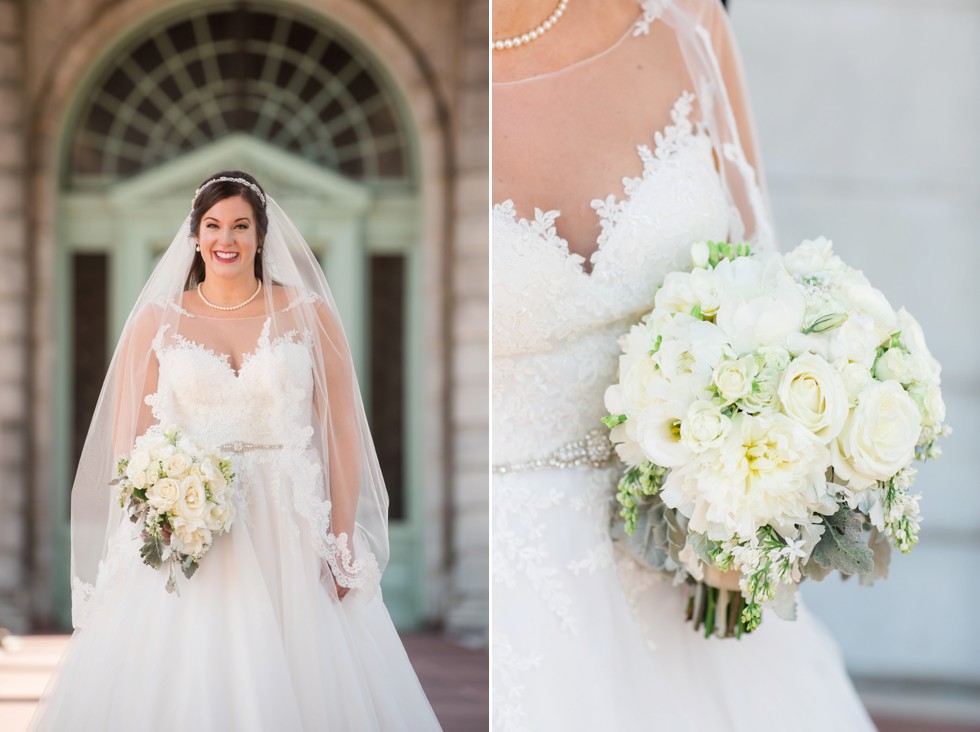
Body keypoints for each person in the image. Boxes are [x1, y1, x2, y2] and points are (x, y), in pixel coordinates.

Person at [492, 0, 877, 729]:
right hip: (517, 588)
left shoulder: (686, 22)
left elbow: (772, 294)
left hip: (702, 566)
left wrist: (769, 498)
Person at [30, 171, 442, 731]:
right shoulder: (158, 318)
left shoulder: (307, 312)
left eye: (241, 226)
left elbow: (342, 429)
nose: (227, 239)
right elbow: (129, 438)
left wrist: (341, 536)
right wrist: (160, 510)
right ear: (196, 236)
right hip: (192, 524)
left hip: (289, 524)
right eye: (214, 225)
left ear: (261, 235)